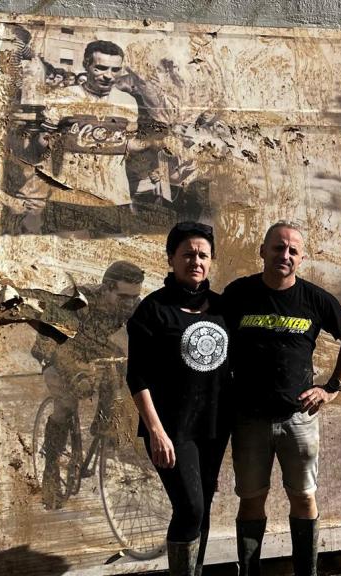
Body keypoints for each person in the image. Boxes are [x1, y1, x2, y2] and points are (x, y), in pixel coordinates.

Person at [222, 221, 341, 576]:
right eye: (278, 247)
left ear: (300, 258)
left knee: (303, 497)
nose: (284, 255)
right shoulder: (238, 294)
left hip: (299, 418)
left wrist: (332, 387)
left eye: (292, 251)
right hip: (249, 419)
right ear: (263, 250)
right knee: (251, 499)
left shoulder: (315, 298)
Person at [126, 222, 229, 576]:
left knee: (204, 507)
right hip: (172, 429)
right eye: (187, 254)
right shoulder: (152, 310)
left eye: (202, 255)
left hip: (214, 425)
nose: (195, 261)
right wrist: (155, 430)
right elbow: (136, 376)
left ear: (211, 261)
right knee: (190, 509)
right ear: (171, 259)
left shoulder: (222, 307)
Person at [33, 260, 145, 510]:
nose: (129, 304)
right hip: (55, 348)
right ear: (106, 288)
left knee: (122, 369)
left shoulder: (132, 304)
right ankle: (50, 472)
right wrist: (76, 375)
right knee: (66, 402)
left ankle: (103, 425)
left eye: (134, 297)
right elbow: (54, 345)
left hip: (92, 349)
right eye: (124, 297)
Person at [17, 39, 156, 235]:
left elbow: (128, 144)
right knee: (68, 253)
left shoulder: (128, 102)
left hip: (114, 196)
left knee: (110, 257)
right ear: (86, 65)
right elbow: (42, 143)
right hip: (71, 195)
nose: (108, 76)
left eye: (115, 70)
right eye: (100, 68)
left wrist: (156, 141)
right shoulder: (63, 97)